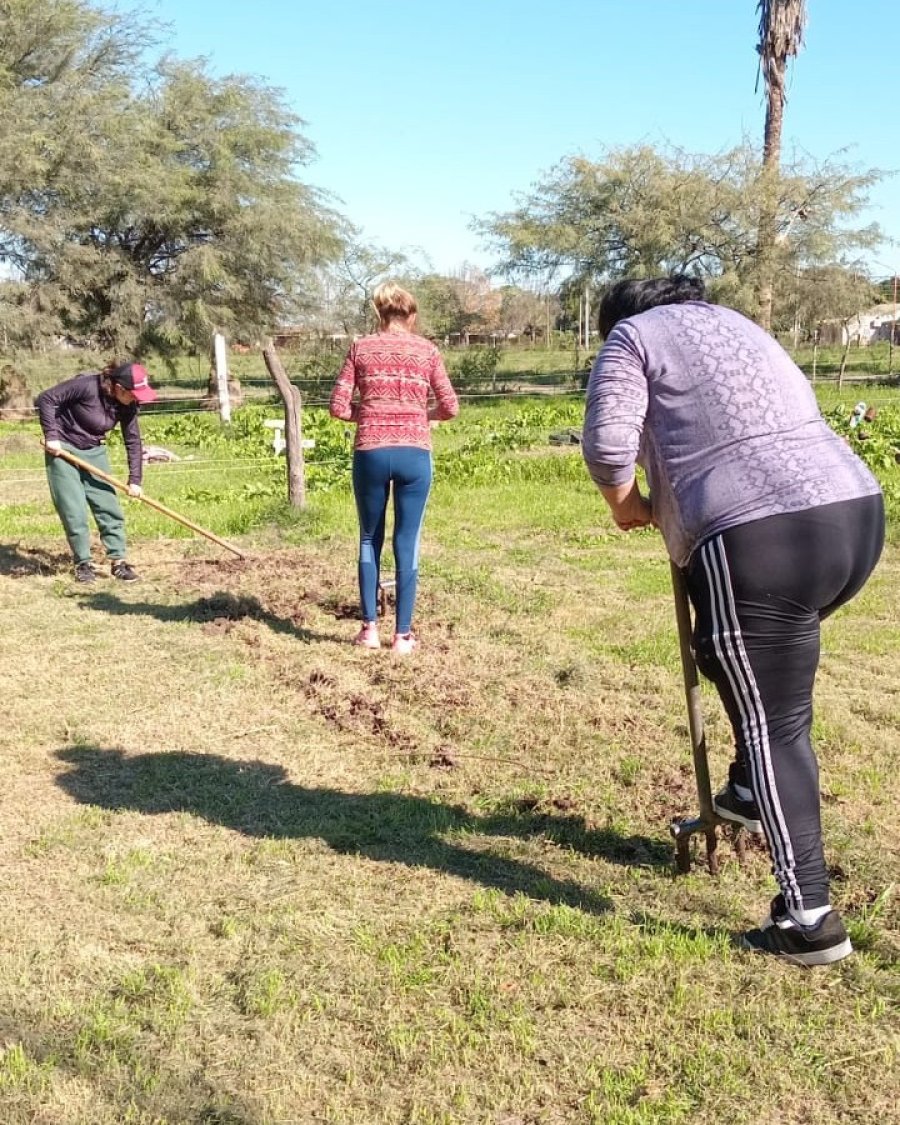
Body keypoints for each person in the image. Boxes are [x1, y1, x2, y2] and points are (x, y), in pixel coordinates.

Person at [582, 276, 885, 966]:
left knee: (771, 717)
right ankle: (749, 787)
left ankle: (809, 919)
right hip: (853, 515)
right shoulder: (738, 324)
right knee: (730, 651)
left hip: (756, 532)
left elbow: (606, 445)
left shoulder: (632, 336)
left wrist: (624, 502)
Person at [329, 281, 459, 653]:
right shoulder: (427, 351)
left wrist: (369, 415)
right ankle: (402, 635)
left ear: (379, 314)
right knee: (407, 540)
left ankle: (369, 630)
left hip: (370, 450)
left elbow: (337, 406)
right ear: (412, 315)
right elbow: (450, 406)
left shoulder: (361, 347)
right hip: (414, 453)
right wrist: (422, 414)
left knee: (369, 538)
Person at [36, 359, 158, 583]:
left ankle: (119, 562)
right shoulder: (86, 386)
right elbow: (46, 398)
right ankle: (83, 563)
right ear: (119, 387)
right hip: (63, 451)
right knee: (74, 509)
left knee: (108, 505)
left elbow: (133, 441)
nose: (136, 399)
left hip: (94, 451)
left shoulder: (127, 404)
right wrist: (52, 436)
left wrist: (135, 480)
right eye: (133, 393)